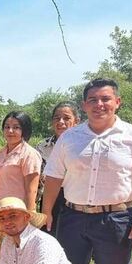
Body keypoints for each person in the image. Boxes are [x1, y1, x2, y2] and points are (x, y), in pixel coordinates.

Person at [42, 78, 132, 264]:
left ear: (117, 102)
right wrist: (46, 211)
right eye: (93, 99)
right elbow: (54, 177)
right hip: (73, 217)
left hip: (117, 219)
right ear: (84, 105)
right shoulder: (70, 138)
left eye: (106, 99)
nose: (100, 104)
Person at [0, 111, 41, 263]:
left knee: (20, 257)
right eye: (7, 127)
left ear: (24, 130)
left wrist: (29, 217)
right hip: (0, 211)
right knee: (3, 256)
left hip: (18, 214)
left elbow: (32, 189)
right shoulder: (0, 153)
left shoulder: (29, 154)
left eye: (16, 127)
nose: (10, 131)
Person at [35, 102, 80, 237]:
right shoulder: (43, 146)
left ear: (76, 121)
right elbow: (38, 179)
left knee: (73, 242)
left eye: (66, 118)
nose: (61, 122)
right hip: (50, 199)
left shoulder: (84, 146)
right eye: (57, 118)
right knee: (49, 238)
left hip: (75, 200)